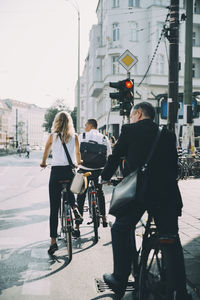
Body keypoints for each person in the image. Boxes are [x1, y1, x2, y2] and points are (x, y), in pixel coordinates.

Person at [101, 102, 192, 300]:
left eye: (132, 116)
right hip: (168, 196)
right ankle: (181, 292)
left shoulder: (129, 130)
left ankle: (119, 278)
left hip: (140, 194)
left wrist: (104, 177)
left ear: (139, 114)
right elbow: (173, 166)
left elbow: (115, 157)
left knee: (120, 229)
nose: (130, 119)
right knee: (172, 239)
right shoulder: (167, 133)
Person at [40, 111, 83, 254]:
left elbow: (46, 151)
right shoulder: (75, 136)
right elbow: (77, 154)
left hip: (56, 172)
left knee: (54, 208)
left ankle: (53, 242)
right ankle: (75, 208)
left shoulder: (52, 136)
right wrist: (78, 162)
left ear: (56, 122)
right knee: (71, 189)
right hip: (69, 171)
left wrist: (43, 162)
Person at [75, 119, 112, 237]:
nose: (85, 127)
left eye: (85, 125)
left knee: (80, 195)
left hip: (84, 170)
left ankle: (77, 224)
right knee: (99, 192)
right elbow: (110, 155)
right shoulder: (104, 138)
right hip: (98, 170)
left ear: (90, 125)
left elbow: (75, 153)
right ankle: (104, 218)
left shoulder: (82, 136)